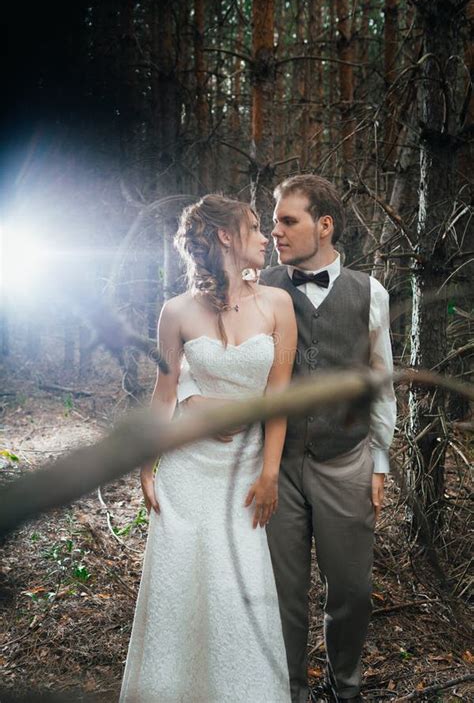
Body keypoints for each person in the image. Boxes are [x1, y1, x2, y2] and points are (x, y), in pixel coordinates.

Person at [179, 175, 396, 703]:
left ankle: (345, 685)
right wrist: (194, 399)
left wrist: (381, 460)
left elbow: (382, 380)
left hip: (346, 461)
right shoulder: (257, 283)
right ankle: (288, 688)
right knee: (282, 591)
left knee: (352, 589)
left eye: (288, 221)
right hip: (271, 462)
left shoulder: (370, 293)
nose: (276, 231)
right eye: (272, 221)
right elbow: (202, 336)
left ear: (324, 225)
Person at [119, 194, 297, 703]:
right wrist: (147, 463)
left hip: (243, 471)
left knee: (236, 590)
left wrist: (270, 473)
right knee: (181, 585)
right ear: (225, 237)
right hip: (186, 468)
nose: (267, 238)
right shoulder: (175, 311)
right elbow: (165, 393)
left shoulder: (278, 306)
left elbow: (279, 396)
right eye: (255, 227)